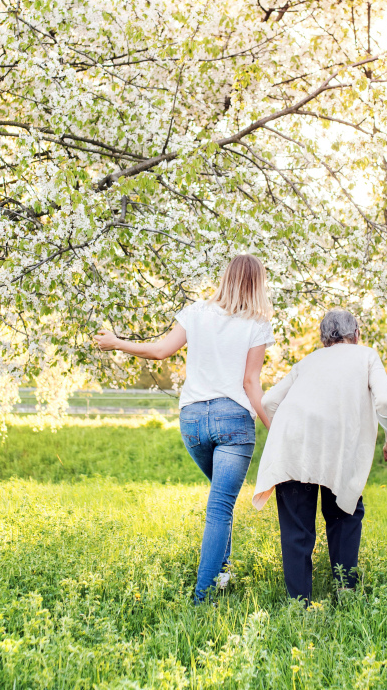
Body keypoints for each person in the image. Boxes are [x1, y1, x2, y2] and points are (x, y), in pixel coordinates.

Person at [94, 254, 275, 603]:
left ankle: (222, 570)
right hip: (233, 421)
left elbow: (161, 351)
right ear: (257, 284)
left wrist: (118, 342)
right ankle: (202, 598)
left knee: (221, 499)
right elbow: (251, 383)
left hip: (193, 420)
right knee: (221, 505)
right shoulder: (258, 323)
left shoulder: (196, 312)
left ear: (225, 278)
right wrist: (276, 428)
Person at [252, 307, 387, 603]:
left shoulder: (308, 361)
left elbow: (268, 401)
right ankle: (346, 591)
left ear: (323, 339)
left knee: (297, 527)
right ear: (357, 335)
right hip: (340, 449)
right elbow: (385, 401)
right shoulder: (367, 355)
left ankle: (299, 603)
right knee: (344, 514)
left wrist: (287, 436)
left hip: (293, 447)